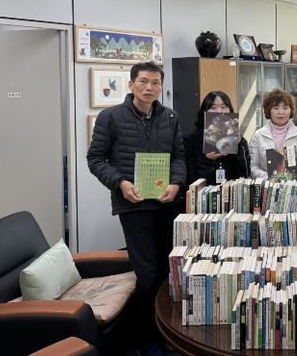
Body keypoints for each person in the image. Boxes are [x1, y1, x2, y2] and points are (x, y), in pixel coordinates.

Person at [87, 61, 186, 355]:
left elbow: (178, 156)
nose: (149, 87)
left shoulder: (170, 117)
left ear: (161, 86)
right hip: (133, 205)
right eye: (143, 81)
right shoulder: (110, 117)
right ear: (131, 84)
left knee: (169, 270)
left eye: (155, 83)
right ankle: (146, 338)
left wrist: (177, 183)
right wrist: (120, 183)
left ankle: (168, 331)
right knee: (147, 273)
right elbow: (96, 159)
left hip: (166, 204)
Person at [184, 91, 250, 186]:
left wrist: (238, 147)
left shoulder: (240, 140)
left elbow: (244, 175)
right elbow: (188, 179)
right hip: (202, 193)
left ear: (230, 110)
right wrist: (206, 159)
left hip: (230, 192)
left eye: (223, 107)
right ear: (204, 112)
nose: (219, 111)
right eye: (213, 107)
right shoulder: (190, 140)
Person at [249, 88, 297, 179]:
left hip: (293, 184)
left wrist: (291, 175)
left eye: (285, 108)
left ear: (291, 110)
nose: (281, 112)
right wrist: (269, 177)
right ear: (269, 110)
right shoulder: (258, 135)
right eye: (276, 108)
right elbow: (253, 166)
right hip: (267, 185)